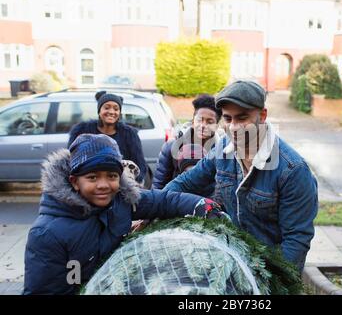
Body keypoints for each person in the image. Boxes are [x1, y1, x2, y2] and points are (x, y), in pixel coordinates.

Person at [23, 134, 225, 295]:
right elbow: (46, 289)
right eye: (92, 177)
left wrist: (201, 204)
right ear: (75, 181)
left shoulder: (121, 201)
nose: (103, 185)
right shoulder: (47, 233)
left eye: (111, 176)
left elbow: (164, 201)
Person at [164, 80, 318, 272]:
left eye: (242, 118)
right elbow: (185, 183)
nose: (234, 127)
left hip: (271, 272)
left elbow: (296, 240)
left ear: (262, 116)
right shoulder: (222, 149)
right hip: (230, 264)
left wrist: (270, 281)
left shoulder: (293, 170)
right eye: (228, 119)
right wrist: (152, 208)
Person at [68, 91, 147, 185]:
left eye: (116, 109)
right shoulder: (81, 131)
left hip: (121, 186)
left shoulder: (130, 134)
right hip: (88, 185)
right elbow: (71, 161)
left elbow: (140, 164)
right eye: (107, 107)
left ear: (119, 113)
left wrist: (130, 186)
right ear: (99, 111)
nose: (111, 112)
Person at [152, 94, 222, 192]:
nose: (203, 125)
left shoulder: (221, 152)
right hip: (175, 202)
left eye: (209, 122)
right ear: (193, 122)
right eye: (199, 120)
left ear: (216, 126)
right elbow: (159, 184)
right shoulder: (172, 146)